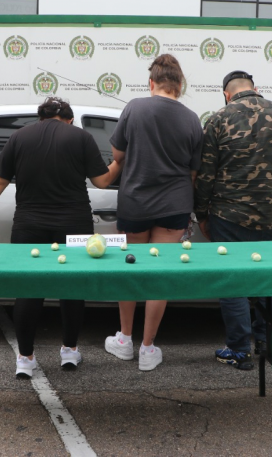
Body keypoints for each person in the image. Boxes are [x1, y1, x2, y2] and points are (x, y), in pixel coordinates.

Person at [0, 97, 122, 379]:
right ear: (70, 119)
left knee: (28, 290)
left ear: (40, 118)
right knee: (72, 289)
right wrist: (120, 162)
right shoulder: (81, 137)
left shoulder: (19, 137)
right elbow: (102, 181)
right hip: (74, 224)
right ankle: (69, 352)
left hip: (29, 224)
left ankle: (25, 358)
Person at [193, 70, 272, 370]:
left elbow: (206, 175)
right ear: (255, 89)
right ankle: (267, 341)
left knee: (233, 279)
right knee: (267, 277)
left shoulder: (219, 118)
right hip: (271, 217)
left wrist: (202, 214)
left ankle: (239, 350)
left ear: (227, 93)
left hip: (228, 216)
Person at [103, 54, 203, 371]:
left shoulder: (134, 107)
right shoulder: (192, 119)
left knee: (131, 268)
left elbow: (118, 153)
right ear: (180, 85)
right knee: (159, 274)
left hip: (136, 201)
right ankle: (148, 349)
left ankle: (124, 340)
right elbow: (193, 172)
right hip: (175, 204)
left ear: (152, 83)